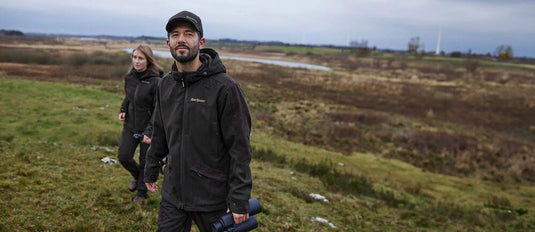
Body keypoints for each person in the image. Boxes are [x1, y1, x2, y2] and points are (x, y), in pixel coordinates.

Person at [144, 11, 253, 232]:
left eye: (188, 34)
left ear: (200, 42)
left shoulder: (225, 88)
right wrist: (151, 167)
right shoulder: (164, 85)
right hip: (173, 194)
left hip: (213, 198)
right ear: (168, 43)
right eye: (175, 35)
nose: (181, 39)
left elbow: (239, 147)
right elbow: (160, 131)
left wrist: (239, 198)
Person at [117, 44, 163, 202]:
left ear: (148, 60)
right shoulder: (129, 77)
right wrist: (123, 109)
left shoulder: (156, 82)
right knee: (123, 156)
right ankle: (137, 176)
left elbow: (159, 108)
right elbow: (129, 96)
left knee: (145, 161)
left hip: (147, 129)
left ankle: (142, 193)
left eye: (140, 58)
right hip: (130, 125)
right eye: (134, 57)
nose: (137, 61)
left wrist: (149, 132)